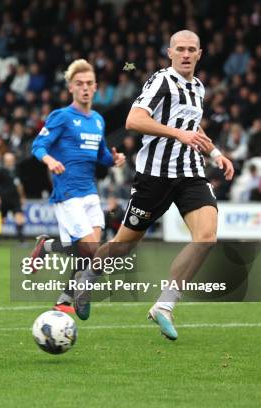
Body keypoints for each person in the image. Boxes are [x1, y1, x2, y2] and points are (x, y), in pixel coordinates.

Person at [73, 30, 234, 340]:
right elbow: (134, 120)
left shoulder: (197, 88)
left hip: (190, 173)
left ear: (200, 54)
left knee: (206, 237)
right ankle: (88, 277)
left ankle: (164, 305)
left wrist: (215, 153)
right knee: (123, 246)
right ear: (170, 53)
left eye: (191, 50)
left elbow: (190, 126)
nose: (186, 55)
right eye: (180, 49)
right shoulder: (161, 81)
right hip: (154, 177)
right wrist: (177, 134)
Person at [28, 59, 126, 313]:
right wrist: (49, 160)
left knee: (89, 253)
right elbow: (37, 146)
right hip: (68, 193)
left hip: (90, 194)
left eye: (89, 83)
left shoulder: (98, 120)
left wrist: (114, 159)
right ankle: (80, 294)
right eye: (79, 84)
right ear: (71, 87)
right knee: (92, 251)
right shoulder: (61, 116)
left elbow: (101, 154)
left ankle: (62, 294)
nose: (84, 88)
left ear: (95, 88)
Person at [0, 151, 26, 245]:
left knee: (19, 218)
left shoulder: (16, 170)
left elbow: (19, 185)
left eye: (12, 160)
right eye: (8, 160)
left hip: (15, 199)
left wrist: (22, 197)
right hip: (4, 199)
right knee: (1, 220)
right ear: (5, 161)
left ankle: (21, 241)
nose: (10, 161)